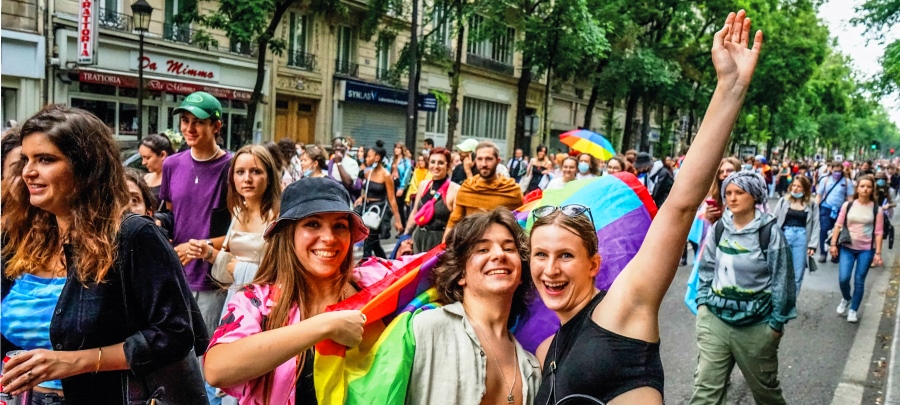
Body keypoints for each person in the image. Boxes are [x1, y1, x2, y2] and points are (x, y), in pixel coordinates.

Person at [527, 11, 766, 404]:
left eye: (565, 255)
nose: (550, 268)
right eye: (541, 255)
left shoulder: (621, 309)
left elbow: (680, 207)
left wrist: (731, 88)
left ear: (593, 263)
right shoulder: (546, 350)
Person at [1, 105, 207, 404]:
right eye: (26, 160)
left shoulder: (133, 236)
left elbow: (176, 334)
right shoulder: (18, 238)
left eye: (45, 159)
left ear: (86, 167)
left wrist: (76, 361)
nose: (28, 172)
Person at [204, 177, 369, 404]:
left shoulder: (371, 281)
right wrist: (325, 326)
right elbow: (216, 370)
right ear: (288, 233)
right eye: (313, 224)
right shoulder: (257, 301)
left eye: (340, 226)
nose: (329, 238)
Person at [407, 208, 540, 404]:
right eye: (483, 249)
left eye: (509, 248)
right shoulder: (425, 329)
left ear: (521, 272)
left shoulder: (532, 369)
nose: (499, 255)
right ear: (460, 273)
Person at [692, 171, 795, 404]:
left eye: (739, 192)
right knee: (706, 391)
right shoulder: (719, 228)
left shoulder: (769, 233)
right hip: (715, 320)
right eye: (728, 193)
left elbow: (782, 280)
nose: (732, 198)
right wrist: (703, 304)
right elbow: (706, 268)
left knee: (766, 393)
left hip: (756, 326)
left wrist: (776, 324)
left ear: (755, 196)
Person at [157, 91, 233, 340]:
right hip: (175, 275)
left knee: (204, 350)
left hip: (213, 279)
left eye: (198, 122)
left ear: (216, 126)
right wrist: (159, 224)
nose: (189, 129)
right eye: (185, 121)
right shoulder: (172, 164)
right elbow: (170, 213)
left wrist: (202, 247)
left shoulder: (233, 168)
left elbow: (243, 231)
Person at [189, 144, 281, 314]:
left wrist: (241, 269)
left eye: (256, 171)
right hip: (237, 299)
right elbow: (232, 265)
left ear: (269, 177)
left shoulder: (279, 217)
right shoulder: (238, 212)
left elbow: (284, 270)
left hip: (268, 305)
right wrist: (208, 253)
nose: (247, 179)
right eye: (240, 172)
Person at [830, 175, 884, 323]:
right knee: (844, 278)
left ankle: (853, 310)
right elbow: (838, 225)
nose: (865, 189)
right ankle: (847, 298)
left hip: (866, 249)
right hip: (847, 247)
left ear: (872, 189)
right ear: (857, 188)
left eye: (868, 187)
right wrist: (833, 244)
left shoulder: (876, 209)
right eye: (862, 186)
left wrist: (878, 253)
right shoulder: (848, 205)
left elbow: (879, 233)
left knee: (859, 280)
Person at [445, 141, 523, 234]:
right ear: (475, 160)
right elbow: (453, 222)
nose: (484, 164)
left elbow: (521, 224)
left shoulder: (511, 190)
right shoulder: (467, 188)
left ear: (498, 161)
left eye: (488, 159)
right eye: (480, 159)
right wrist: (444, 243)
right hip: (471, 241)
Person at [405, 147, 459, 253]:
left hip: (439, 243)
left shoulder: (455, 189)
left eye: (441, 163)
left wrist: (446, 246)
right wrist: (405, 236)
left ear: (448, 165)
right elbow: (415, 212)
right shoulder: (423, 185)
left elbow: (456, 223)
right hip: (418, 238)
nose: (436, 166)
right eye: (432, 162)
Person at [354, 144, 403, 258]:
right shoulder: (368, 173)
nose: (366, 159)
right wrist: (362, 197)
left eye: (369, 156)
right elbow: (366, 189)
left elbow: (392, 199)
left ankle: (365, 264)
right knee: (375, 244)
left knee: (368, 243)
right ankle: (386, 264)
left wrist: (398, 220)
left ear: (377, 157)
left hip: (378, 210)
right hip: (367, 208)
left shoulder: (386, 175)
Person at [773, 175, 820, 294]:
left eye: (799, 186)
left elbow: (816, 225)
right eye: (793, 185)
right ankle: (780, 298)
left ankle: (792, 300)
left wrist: (812, 245)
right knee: (782, 269)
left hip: (802, 237)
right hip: (785, 236)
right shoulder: (784, 201)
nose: (795, 188)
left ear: (805, 189)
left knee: (798, 272)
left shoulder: (812, 204)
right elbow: (774, 220)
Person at [816, 161, 854, 263]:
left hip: (840, 209)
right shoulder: (825, 180)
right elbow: (819, 195)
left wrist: (850, 210)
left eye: (839, 171)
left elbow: (850, 197)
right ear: (831, 170)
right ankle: (823, 253)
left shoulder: (846, 181)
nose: (837, 173)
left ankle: (835, 254)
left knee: (838, 231)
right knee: (824, 230)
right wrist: (815, 208)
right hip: (826, 208)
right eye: (835, 171)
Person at [138, 134, 175, 202]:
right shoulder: (144, 178)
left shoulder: (173, 181)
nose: (143, 163)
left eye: (148, 158)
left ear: (162, 155)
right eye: (142, 157)